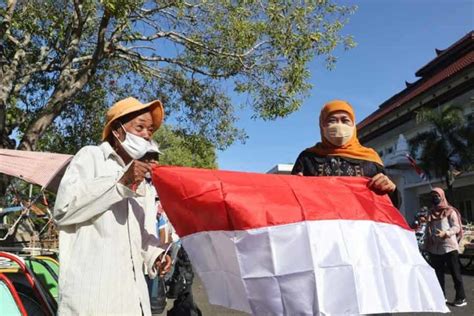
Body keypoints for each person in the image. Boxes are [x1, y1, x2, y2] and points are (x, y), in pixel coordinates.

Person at [54, 97, 172, 315]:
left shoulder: (142, 181)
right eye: (140, 127)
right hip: (93, 298)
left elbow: (140, 235)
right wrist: (121, 182)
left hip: (132, 299)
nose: (147, 134)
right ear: (117, 130)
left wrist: (156, 255)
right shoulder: (91, 156)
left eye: (150, 129)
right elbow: (63, 211)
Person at [291, 100, 396, 197]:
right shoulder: (307, 158)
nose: (339, 126)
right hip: (321, 217)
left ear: (353, 125)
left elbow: (388, 205)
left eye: (345, 120)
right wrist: (294, 187)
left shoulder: (371, 159)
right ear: (322, 125)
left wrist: (391, 189)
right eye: (332, 121)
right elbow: (291, 201)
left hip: (359, 217)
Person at [424, 187, 467, 307]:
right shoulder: (430, 212)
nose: (434, 198)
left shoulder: (450, 211)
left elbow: (457, 227)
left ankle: (461, 298)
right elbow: (428, 229)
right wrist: (426, 243)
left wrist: (446, 233)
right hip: (435, 249)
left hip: (449, 247)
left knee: (455, 274)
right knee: (438, 275)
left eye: (437, 195)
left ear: (442, 196)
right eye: (432, 196)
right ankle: (440, 297)